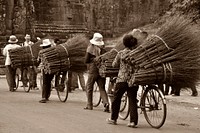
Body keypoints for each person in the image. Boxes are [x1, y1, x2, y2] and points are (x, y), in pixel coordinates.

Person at [107, 34, 139, 128]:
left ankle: (113, 119)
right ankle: (133, 122)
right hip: (133, 80)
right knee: (132, 101)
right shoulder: (137, 54)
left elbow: (114, 65)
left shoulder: (121, 53)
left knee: (116, 99)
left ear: (124, 43)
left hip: (122, 80)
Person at [84, 33, 109, 112]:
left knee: (89, 87)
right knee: (102, 88)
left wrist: (93, 60)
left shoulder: (90, 48)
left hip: (93, 70)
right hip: (102, 70)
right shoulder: (104, 50)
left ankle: (89, 105)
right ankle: (106, 103)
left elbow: (86, 60)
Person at [38, 39, 55, 103]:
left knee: (45, 82)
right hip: (53, 68)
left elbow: (39, 60)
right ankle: (47, 95)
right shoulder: (53, 51)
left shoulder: (41, 52)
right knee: (49, 81)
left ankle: (44, 97)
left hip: (45, 69)